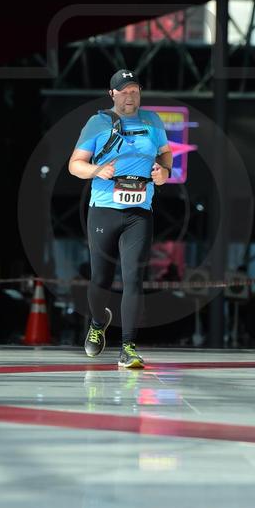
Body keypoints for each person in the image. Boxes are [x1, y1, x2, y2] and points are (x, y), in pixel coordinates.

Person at [68, 69, 173, 368]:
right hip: (103, 209)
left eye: (135, 90)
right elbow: (75, 165)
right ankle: (97, 322)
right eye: (124, 91)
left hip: (139, 212)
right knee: (101, 278)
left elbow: (166, 156)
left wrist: (164, 173)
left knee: (133, 278)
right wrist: (96, 170)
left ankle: (128, 347)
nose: (130, 96)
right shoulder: (97, 123)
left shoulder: (153, 121)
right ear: (112, 94)